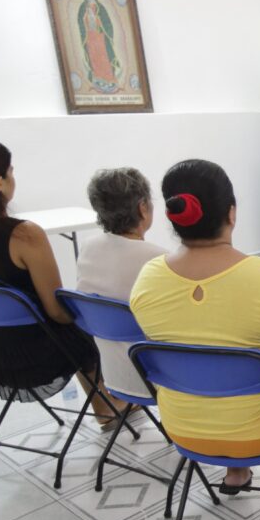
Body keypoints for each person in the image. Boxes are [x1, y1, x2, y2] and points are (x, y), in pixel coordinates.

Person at [130, 159, 260, 497]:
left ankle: (236, 472)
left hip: (182, 430)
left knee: (205, 359)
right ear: (231, 213)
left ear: (172, 217)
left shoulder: (147, 278)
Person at [0, 135, 116, 426]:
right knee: (87, 319)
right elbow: (56, 311)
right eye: (10, 170)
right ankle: (106, 406)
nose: (13, 176)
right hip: (40, 354)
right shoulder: (25, 235)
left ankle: (105, 405)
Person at [76, 168, 166, 401]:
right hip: (161, 378)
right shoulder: (159, 260)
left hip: (114, 377)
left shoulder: (88, 248)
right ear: (143, 208)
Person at [77, 0, 120, 93]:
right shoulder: (83, 7)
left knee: (104, 58)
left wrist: (96, 19)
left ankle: (109, 80)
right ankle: (99, 80)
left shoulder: (100, 7)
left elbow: (108, 23)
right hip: (90, 38)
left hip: (100, 37)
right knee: (94, 59)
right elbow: (80, 22)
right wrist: (86, 20)